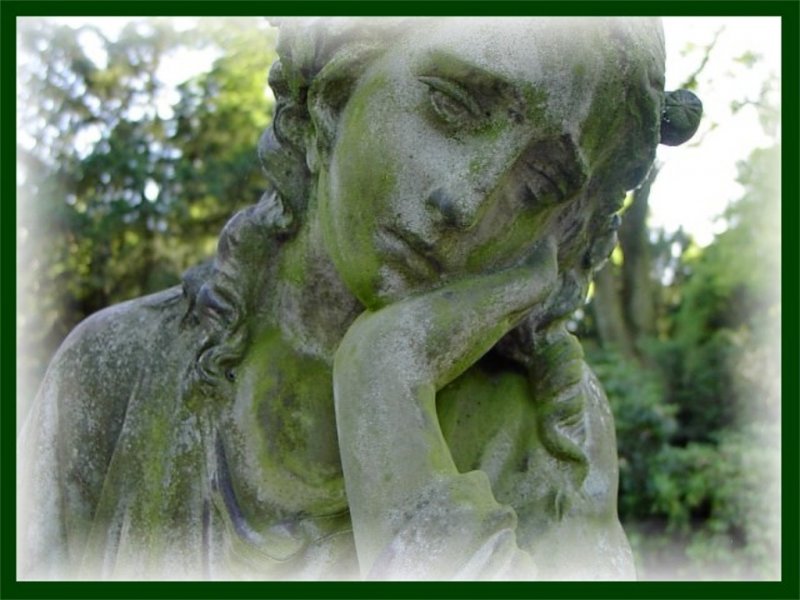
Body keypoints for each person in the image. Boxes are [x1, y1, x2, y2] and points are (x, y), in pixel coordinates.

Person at [17, 17, 701, 580]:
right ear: (332, 92)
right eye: (454, 107)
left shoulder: (555, 433)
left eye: (539, 184)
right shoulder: (116, 374)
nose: (468, 201)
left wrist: (386, 383)